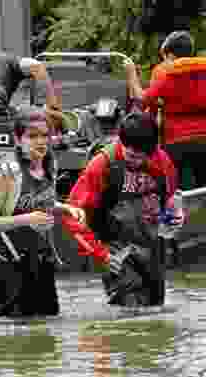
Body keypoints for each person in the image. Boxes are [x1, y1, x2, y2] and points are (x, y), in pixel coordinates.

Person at [0, 107, 86, 317]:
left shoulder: (50, 167)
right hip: (6, 265)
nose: (40, 141)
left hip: (39, 261)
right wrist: (27, 219)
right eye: (32, 136)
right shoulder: (8, 173)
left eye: (45, 135)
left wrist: (66, 207)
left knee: (47, 330)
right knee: (13, 335)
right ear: (18, 139)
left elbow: (39, 204)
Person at [63, 111, 185, 307]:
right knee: (130, 311)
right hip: (115, 249)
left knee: (155, 310)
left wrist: (175, 215)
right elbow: (71, 214)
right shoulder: (102, 165)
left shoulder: (163, 162)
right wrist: (101, 254)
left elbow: (171, 200)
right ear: (121, 142)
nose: (134, 161)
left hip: (152, 248)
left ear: (152, 150)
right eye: (130, 154)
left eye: (140, 157)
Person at [125, 31, 206, 190]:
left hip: (177, 141)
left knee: (180, 190)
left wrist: (131, 74)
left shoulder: (166, 71)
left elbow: (142, 100)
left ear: (169, 54)